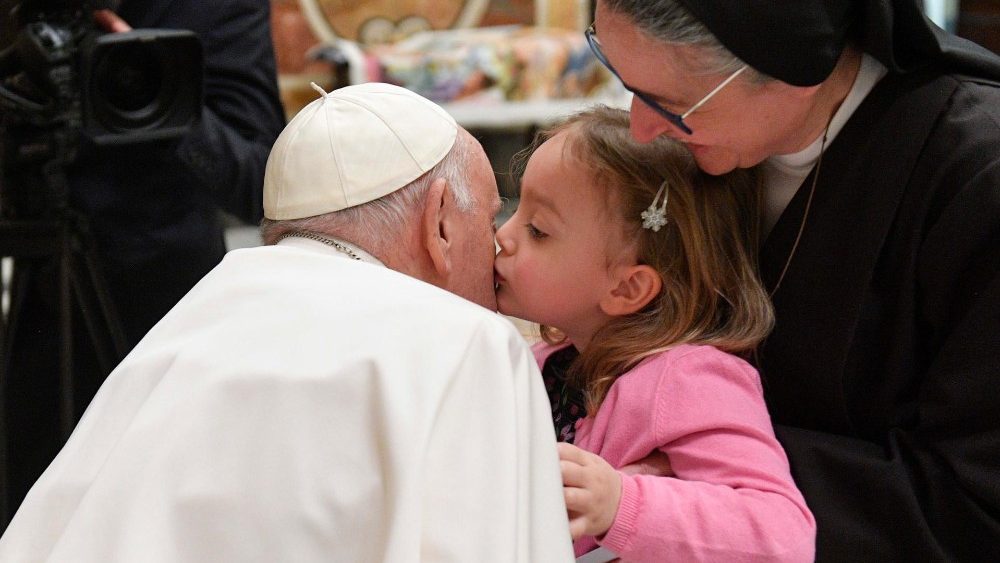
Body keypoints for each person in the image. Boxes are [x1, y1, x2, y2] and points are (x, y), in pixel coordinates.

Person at [0, 82, 574, 562]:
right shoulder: (469, 343)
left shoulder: (191, 317)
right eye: (491, 216)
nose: (499, 244)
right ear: (441, 224)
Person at [588, 0, 1000, 560]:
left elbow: (975, 500)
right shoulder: (691, 151)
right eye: (623, 82)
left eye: (673, 105)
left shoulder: (977, 173)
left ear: (796, 70)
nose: (641, 129)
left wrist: (702, 476)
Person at [2, 0, 286, 521]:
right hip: (40, 306)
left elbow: (261, 183)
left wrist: (154, 89)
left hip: (166, 313)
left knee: (168, 524)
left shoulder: (213, 7)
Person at [494, 106, 816, 562]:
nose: (504, 236)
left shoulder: (690, 378)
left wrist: (622, 505)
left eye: (538, 230)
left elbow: (782, 535)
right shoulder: (553, 359)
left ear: (628, 287)